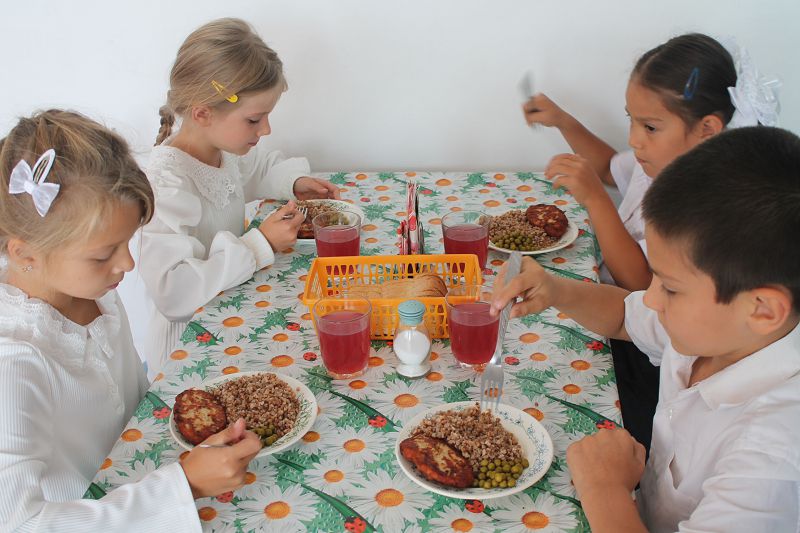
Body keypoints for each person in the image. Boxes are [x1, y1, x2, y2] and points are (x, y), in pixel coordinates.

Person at [492, 126, 800, 532]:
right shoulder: (721, 329)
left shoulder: (772, 459)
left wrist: (604, 488)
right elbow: (625, 316)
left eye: (670, 287)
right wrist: (557, 289)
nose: (651, 299)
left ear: (763, 309)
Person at [0, 110, 263, 531]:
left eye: (127, 242)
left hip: (147, 473)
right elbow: (20, 523)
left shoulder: (93, 292)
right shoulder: (15, 362)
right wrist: (183, 487)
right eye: (103, 255)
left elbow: (128, 407)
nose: (127, 264)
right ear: (25, 253)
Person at [523, 33, 780, 451]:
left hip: (648, 355)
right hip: (626, 318)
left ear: (707, 129)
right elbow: (610, 167)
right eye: (632, 120)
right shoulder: (658, 162)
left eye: (650, 127)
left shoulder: (704, 212)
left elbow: (642, 286)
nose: (634, 139)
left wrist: (595, 201)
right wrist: (564, 121)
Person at [140, 18, 339, 374]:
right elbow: (173, 292)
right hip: (189, 352)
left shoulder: (221, 150)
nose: (267, 129)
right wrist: (260, 244)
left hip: (231, 323)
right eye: (254, 120)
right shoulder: (166, 184)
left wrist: (291, 181)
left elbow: (254, 170)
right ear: (203, 113)